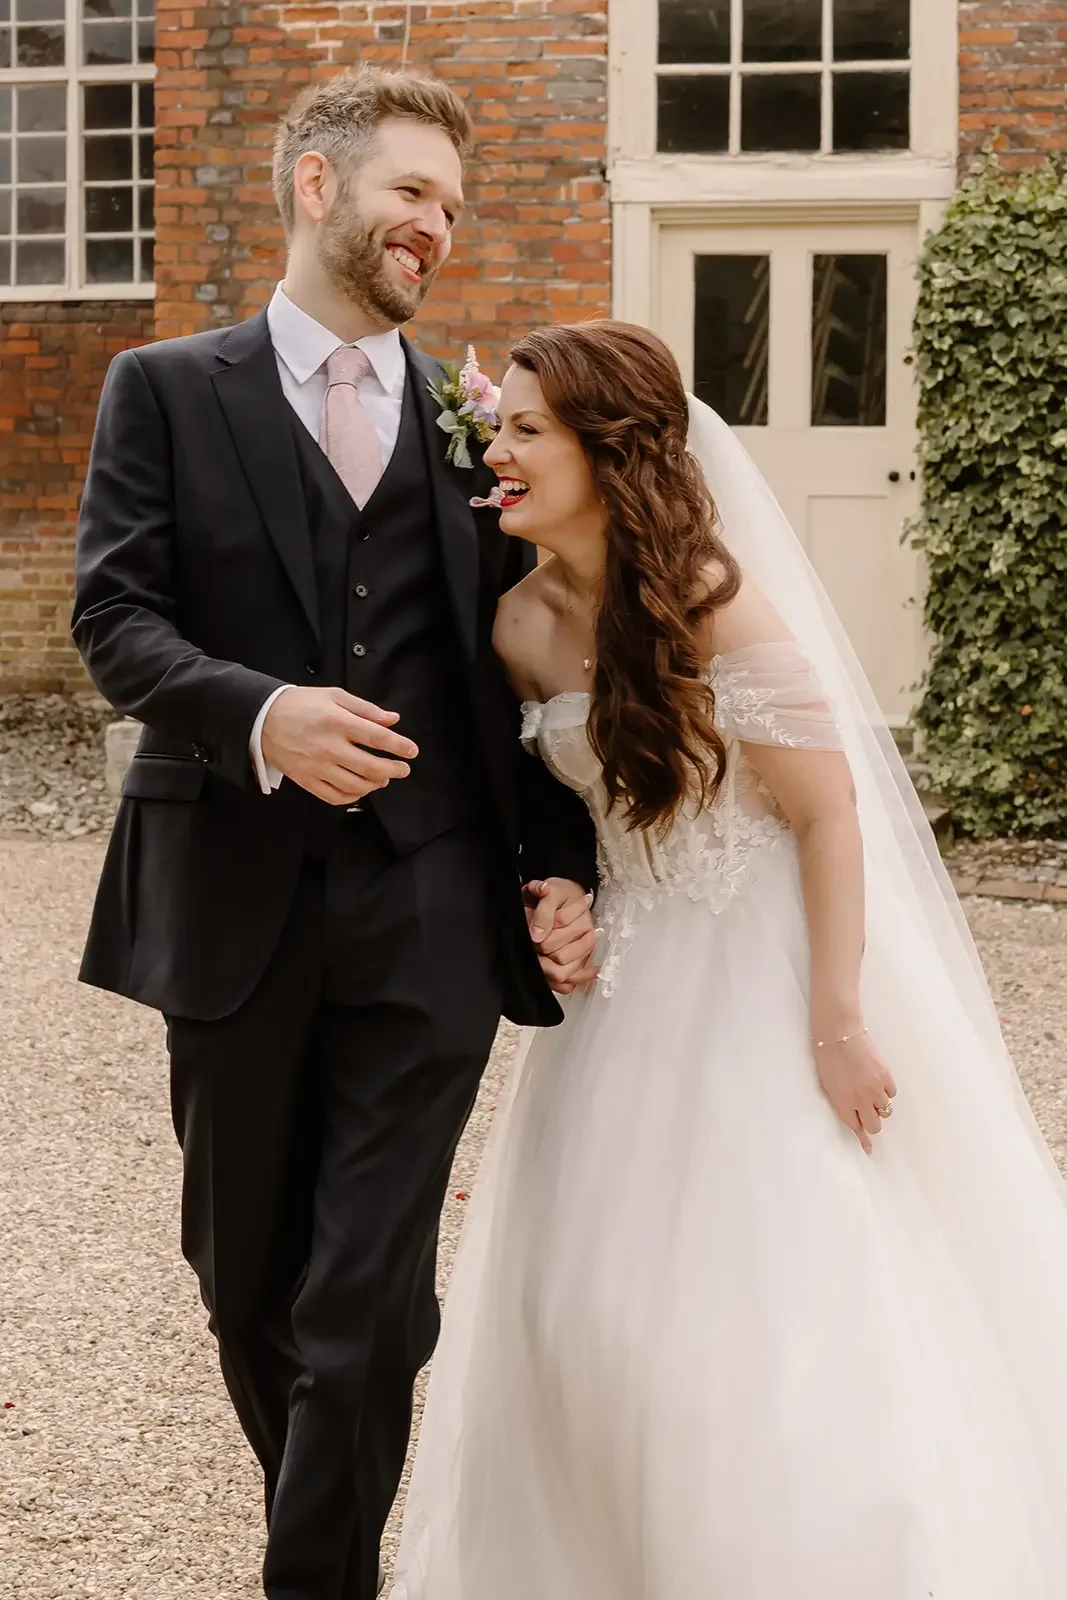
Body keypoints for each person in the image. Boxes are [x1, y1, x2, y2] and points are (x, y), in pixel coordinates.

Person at [388, 321, 1067, 1599]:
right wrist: (552, 897)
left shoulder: (708, 596)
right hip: (622, 998)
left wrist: (834, 1018)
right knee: (585, 1301)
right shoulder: (520, 624)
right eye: (502, 423)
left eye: (530, 429)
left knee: (776, 1291)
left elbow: (827, 813)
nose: (501, 448)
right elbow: (544, 820)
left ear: (609, 452)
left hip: (763, 965)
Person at [70, 68, 598, 1600]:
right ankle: (333, 1532)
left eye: (451, 205)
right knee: (249, 1290)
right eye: (411, 193)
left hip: (427, 901)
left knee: (367, 1298)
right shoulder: (165, 388)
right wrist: (260, 713)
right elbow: (113, 617)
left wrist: (554, 861)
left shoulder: (474, 419)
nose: (437, 226)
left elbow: (531, 647)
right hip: (227, 897)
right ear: (317, 186)